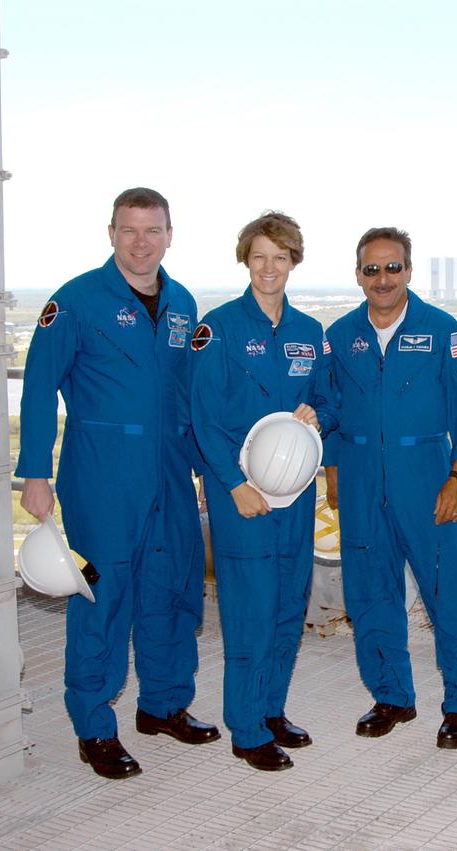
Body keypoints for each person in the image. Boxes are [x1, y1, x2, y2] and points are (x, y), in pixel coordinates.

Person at [16, 187, 218, 780]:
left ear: (169, 235)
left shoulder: (182, 304)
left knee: (173, 589)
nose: (141, 242)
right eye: (129, 230)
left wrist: (206, 468)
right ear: (110, 234)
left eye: (152, 230)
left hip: (171, 472)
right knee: (102, 597)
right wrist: (34, 472)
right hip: (101, 475)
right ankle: (93, 725)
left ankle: (163, 704)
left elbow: (189, 393)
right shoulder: (75, 301)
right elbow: (36, 388)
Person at [323, 227, 457, 749]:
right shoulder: (340, 336)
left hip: (428, 477)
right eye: (371, 270)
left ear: (409, 271)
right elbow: (327, 405)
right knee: (370, 594)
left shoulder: (443, 331)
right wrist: (332, 471)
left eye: (392, 267)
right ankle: (392, 695)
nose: (383, 279)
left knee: (450, 596)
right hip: (359, 478)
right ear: (358, 275)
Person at [190, 212, 336, 771]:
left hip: (295, 496)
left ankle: (271, 708)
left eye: (280, 257)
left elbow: (329, 397)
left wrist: (317, 410)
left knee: (285, 607)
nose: (269, 267)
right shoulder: (219, 327)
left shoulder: (308, 333)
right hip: (242, 497)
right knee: (250, 611)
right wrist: (230, 483)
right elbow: (201, 416)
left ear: (293, 262)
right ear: (245, 260)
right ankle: (246, 728)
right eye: (259, 256)